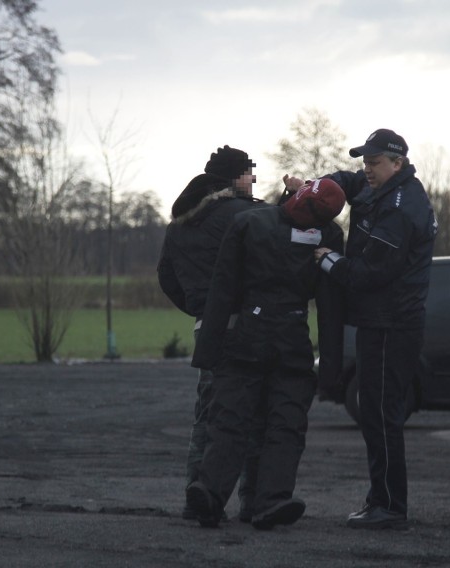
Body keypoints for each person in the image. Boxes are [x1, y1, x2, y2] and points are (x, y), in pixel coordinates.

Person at [285, 128, 437, 530]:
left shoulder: (401, 209)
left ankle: (389, 505)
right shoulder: (380, 188)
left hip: (392, 325)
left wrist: (329, 260)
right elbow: (347, 181)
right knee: (374, 412)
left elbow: (373, 273)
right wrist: (318, 188)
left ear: (398, 163)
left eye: (374, 163)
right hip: (378, 322)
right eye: (364, 162)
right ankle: (381, 497)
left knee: (382, 414)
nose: (366, 170)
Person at [186, 178, 346, 530]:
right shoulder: (328, 236)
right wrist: (332, 369)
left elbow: (223, 288)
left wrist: (208, 350)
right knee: (285, 423)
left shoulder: (249, 223)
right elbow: (331, 309)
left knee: (229, 418)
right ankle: (269, 500)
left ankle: (210, 493)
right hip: (292, 336)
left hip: (247, 332)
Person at [157, 145, 266, 522]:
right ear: (236, 177)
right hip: (250, 328)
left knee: (207, 416)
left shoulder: (180, 225)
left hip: (209, 331)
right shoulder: (246, 214)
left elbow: (167, 278)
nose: (254, 179)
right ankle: (254, 502)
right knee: (253, 415)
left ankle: (196, 494)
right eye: (250, 172)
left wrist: (200, 307)